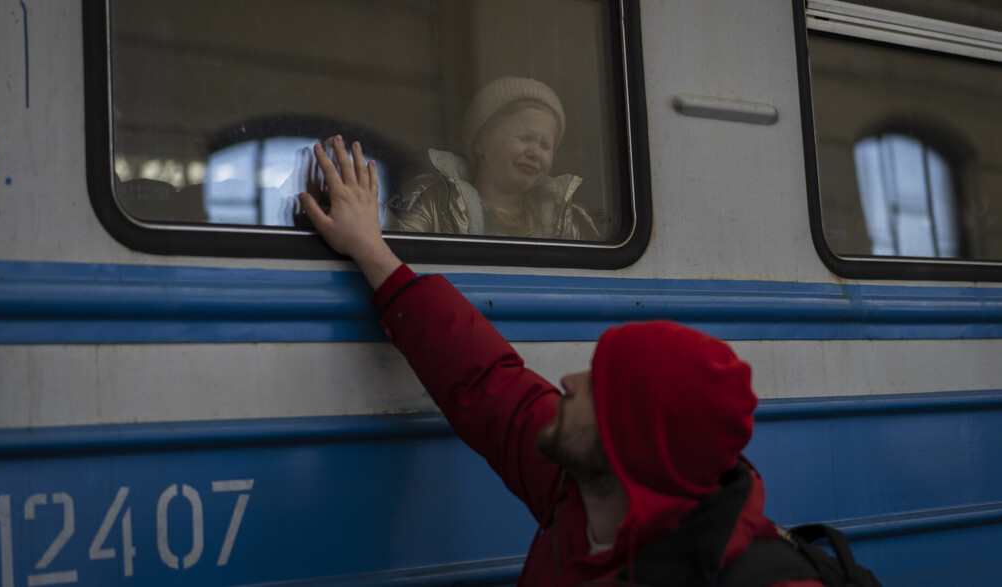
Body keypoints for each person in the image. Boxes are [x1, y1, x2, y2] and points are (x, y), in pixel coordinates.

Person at [297, 138, 876, 586]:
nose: (568, 383)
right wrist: (370, 248)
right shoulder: (583, 489)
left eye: (600, 386)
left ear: (634, 441)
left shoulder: (767, 579)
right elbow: (482, 377)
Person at [389, 76, 600, 240]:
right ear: (480, 142)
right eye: (524, 138)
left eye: (546, 145)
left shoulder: (561, 219)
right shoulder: (436, 203)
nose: (534, 153)